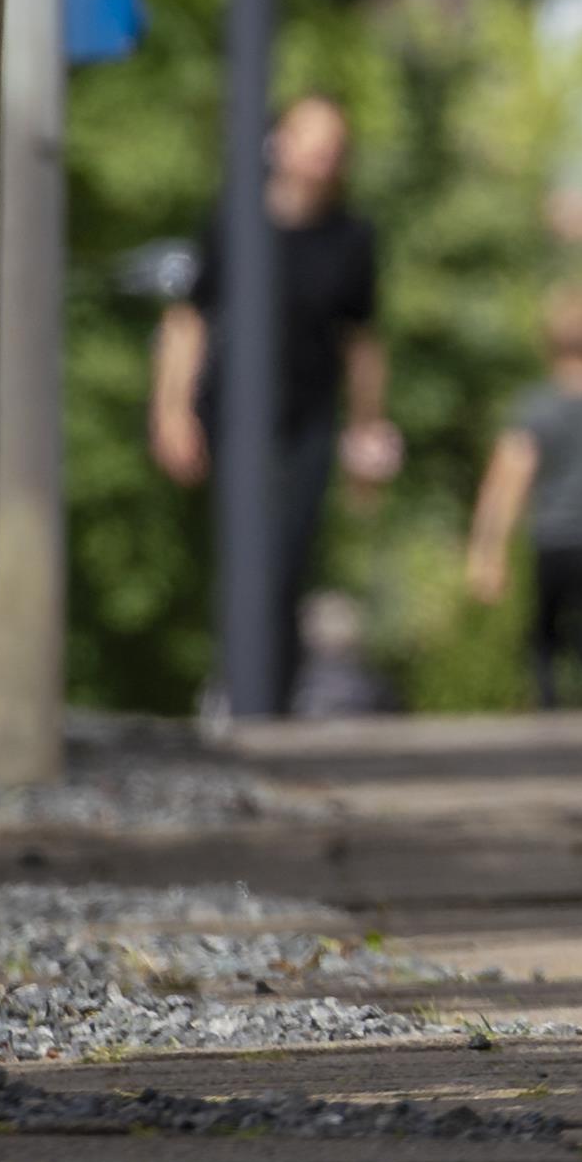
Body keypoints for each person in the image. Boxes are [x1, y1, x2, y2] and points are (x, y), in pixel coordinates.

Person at [145, 91, 399, 717]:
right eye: (310, 140)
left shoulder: (352, 237)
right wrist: (171, 410)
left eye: (333, 145)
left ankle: (272, 703)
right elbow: (188, 321)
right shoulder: (235, 220)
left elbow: (361, 344)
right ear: (280, 144)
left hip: (310, 418)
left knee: (288, 555)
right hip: (233, 414)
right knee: (242, 553)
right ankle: (236, 689)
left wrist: (368, 433)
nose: (321, 155)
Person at [465, 287, 582, 711]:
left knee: (545, 641)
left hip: (552, 537)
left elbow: (509, 480)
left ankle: (549, 715)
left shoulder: (536, 408)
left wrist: (489, 549)